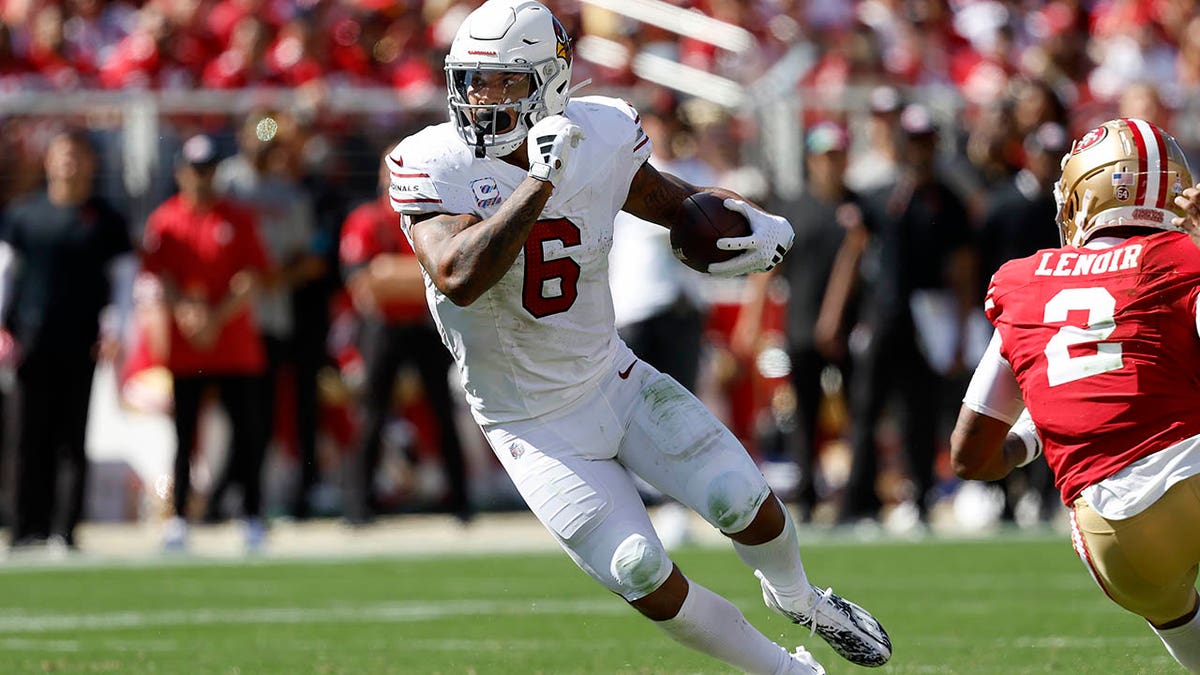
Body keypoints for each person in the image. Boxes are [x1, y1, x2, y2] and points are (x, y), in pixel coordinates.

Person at [385, 2, 891, 673]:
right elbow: (458, 276)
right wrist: (541, 181)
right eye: (471, 80)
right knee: (640, 567)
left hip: (612, 378)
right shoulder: (431, 161)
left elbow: (669, 201)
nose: (480, 99)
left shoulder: (600, 132)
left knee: (743, 499)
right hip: (530, 425)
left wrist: (738, 221)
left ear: (550, 80)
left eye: (503, 82)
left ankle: (801, 597)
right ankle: (787, 670)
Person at [951, 118, 1200, 673]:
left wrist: (1036, 437)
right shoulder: (1182, 259)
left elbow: (970, 456)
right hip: (1193, 463)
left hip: (1115, 530)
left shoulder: (1022, 280)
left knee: (1177, 616)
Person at [823, 103, 977, 526]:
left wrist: (961, 332)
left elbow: (962, 271)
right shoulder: (881, 196)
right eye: (914, 142)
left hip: (927, 319)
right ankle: (860, 499)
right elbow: (854, 253)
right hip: (882, 315)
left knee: (921, 409)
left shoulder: (947, 201)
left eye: (926, 141)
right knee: (866, 407)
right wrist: (834, 315)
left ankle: (922, 494)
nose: (920, 150)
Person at [0, 129, 135, 551]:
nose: (70, 164)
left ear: (91, 163)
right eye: (62, 156)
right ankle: (25, 526)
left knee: (71, 437)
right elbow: (5, 273)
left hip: (82, 340)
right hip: (31, 339)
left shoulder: (106, 221)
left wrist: (116, 329)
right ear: (48, 161)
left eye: (77, 156)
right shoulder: (24, 215)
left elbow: (123, 281)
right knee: (27, 436)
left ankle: (64, 527)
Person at [141, 133, 270, 552]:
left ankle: (251, 514)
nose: (202, 178)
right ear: (181, 172)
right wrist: (185, 312)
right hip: (188, 346)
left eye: (208, 169)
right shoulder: (164, 220)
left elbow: (251, 278)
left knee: (248, 433)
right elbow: (160, 276)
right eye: (195, 169)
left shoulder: (236, 217)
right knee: (184, 435)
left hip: (232, 344)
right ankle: (179, 517)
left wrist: (213, 318)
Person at [732, 122, 865, 523]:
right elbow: (768, 270)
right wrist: (750, 320)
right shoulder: (793, 209)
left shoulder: (858, 208)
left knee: (858, 412)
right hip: (804, 325)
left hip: (853, 328)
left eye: (838, 155)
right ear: (811, 160)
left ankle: (856, 497)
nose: (832, 164)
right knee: (803, 416)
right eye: (825, 156)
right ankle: (807, 497)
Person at [339, 155, 470, 525]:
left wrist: (391, 274)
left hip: (425, 324)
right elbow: (363, 282)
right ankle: (357, 505)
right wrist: (418, 276)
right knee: (371, 413)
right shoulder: (367, 220)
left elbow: (449, 275)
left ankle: (460, 500)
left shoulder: (433, 217)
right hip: (383, 326)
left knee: (442, 411)